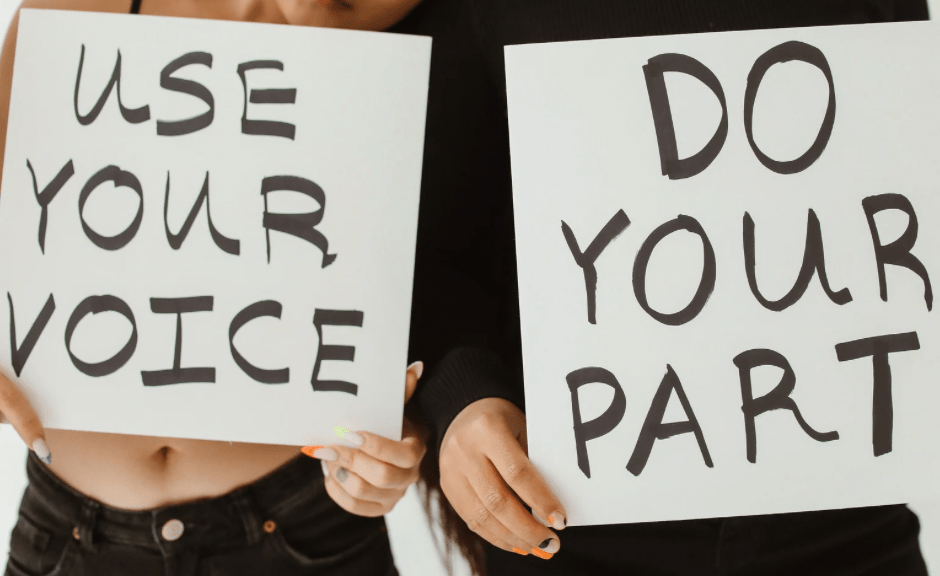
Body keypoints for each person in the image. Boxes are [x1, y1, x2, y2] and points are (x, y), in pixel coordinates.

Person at [410, 0, 933, 574]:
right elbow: (431, 249)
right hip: (572, 525)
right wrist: (462, 396)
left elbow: (897, 201)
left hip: (849, 527)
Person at [0, 1, 429, 575]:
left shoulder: (402, 24)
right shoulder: (69, 11)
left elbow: (459, 283)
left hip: (306, 528)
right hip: (71, 538)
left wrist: (404, 439)